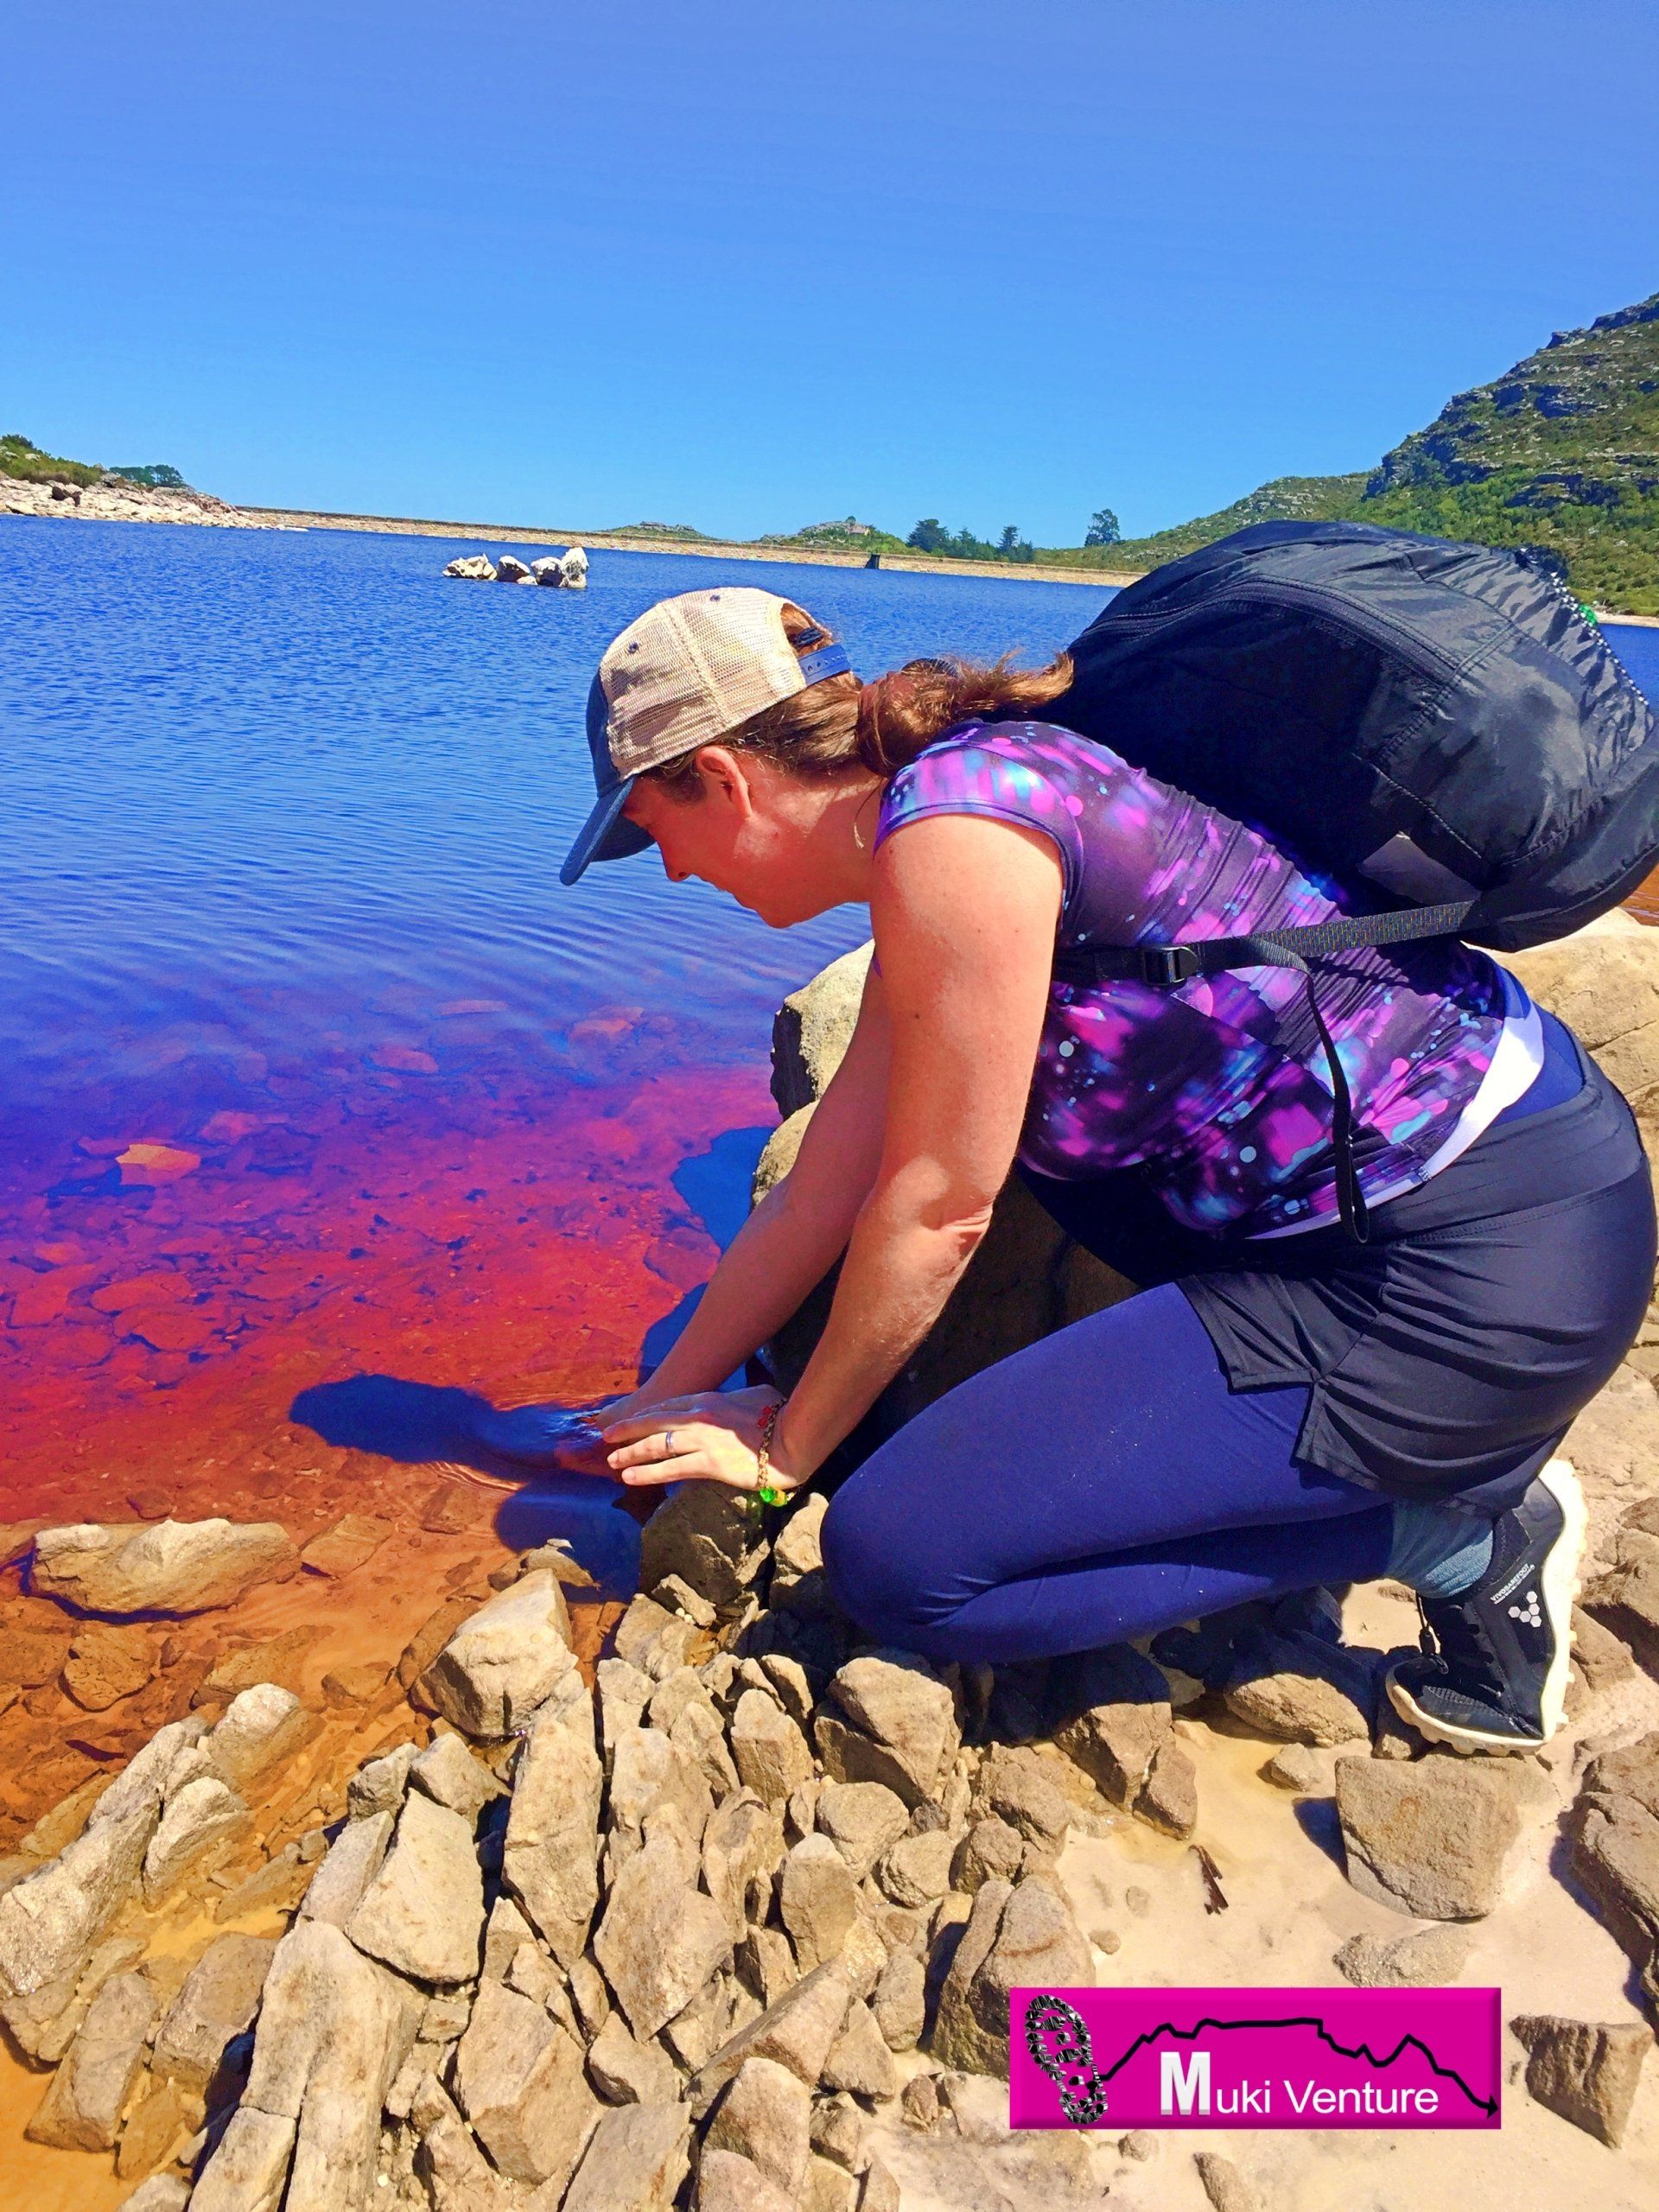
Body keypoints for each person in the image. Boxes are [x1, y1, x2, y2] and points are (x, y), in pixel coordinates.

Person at [537, 583, 1655, 1757]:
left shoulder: (956, 842)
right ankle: (1334, 1459)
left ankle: (1465, 1539)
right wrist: (661, 1398)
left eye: (651, 833)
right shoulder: (956, 798)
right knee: (996, 1215)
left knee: (900, 1567)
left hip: (1475, 1268)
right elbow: (830, 1187)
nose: (663, 874)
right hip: (1439, 1203)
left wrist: (778, 1455)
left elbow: (938, 1212)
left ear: (722, 777)